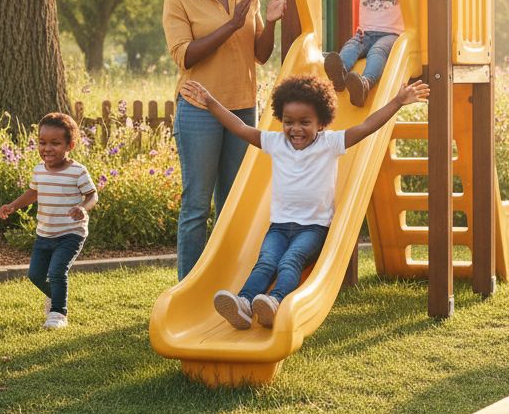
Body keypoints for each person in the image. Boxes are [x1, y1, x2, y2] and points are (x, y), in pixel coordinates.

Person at [180, 74, 429, 330]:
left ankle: (274, 303)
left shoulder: (330, 144)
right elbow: (240, 128)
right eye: (288, 122)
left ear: (321, 122)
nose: (295, 129)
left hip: (313, 228)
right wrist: (210, 103)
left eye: (304, 122)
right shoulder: (276, 142)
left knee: (290, 261)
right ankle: (244, 303)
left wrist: (397, 102)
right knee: (266, 261)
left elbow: (366, 126)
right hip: (278, 226)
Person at [163, 0, 291, 280]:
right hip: (199, 110)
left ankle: (224, 280)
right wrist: (232, 25)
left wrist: (268, 23)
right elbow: (185, 56)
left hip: (241, 110)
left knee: (232, 204)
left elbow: (261, 55)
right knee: (197, 206)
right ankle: (188, 284)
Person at [0, 113, 97, 330]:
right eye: (42, 143)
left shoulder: (77, 171)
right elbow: (33, 193)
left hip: (71, 232)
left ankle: (59, 313)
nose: (47, 148)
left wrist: (83, 207)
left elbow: (92, 195)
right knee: (35, 275)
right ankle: (56, 298)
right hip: (45, 232)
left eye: (55, 143)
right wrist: (13, 205)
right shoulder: (39, 169)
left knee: (57, 272)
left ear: (69, 145)